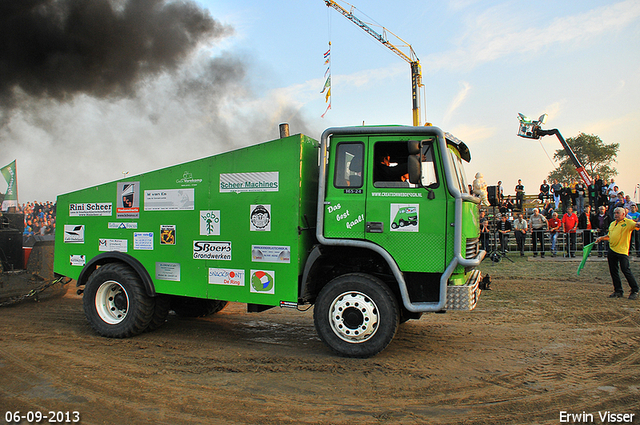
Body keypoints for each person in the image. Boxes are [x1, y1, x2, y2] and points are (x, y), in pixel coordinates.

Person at [595, 207, 640, 300]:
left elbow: (637, 225)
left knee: (625, 270)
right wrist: (601, 238)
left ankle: (634, 289)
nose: (616, 214)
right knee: (613, 271)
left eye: (618, 213)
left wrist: (638, 223)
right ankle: (618, 290)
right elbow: (610, 236)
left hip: (622, 251)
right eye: (615, 213)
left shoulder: (628, 223)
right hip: (612, 249)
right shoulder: (612, 224)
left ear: (623, 214)